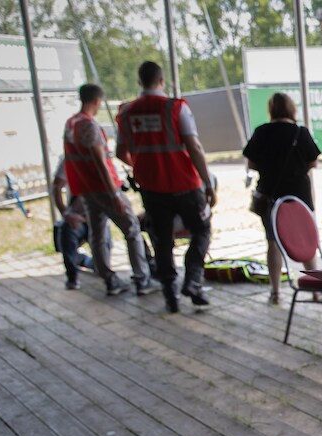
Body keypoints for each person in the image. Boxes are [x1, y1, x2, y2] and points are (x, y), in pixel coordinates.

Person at [115, 61, 214, 314]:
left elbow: (120, 152)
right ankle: (193, 281)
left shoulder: (126, 112)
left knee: (162, 239)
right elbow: (194, 146)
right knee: (201, 230)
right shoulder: (175, 107)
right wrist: (206, 182)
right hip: (185, 185)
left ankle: (171, 296)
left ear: (139, 82)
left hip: (152, 189)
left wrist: (142, 165)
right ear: (162, 81)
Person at [63, 83, 151, 297]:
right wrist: (114, 194)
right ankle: (143, 280)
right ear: (97, 101)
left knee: (98, 234)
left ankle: (110, 280)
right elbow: (100, 162)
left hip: (85, 190)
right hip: (103, 188)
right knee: (131, 229)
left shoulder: (70, 123)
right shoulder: (88, 125)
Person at [243, 92, 322, 304]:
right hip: (299, 196)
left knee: (273, 242)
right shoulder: (300, 132)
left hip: (271, 195)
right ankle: (315, 289)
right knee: (306, 242)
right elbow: (313, 162)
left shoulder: (261, 132)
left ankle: (276, 292)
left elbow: (251, 164)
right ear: (291, 109)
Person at [51, 158, 106, 290]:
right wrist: (66, 214)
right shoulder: (69, 159)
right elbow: (56, 186)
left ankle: (83, 260)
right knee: (66, 230)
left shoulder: (101, 157)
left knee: (103, 265)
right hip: (78, 215)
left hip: (98, 215)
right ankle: (72, 275)